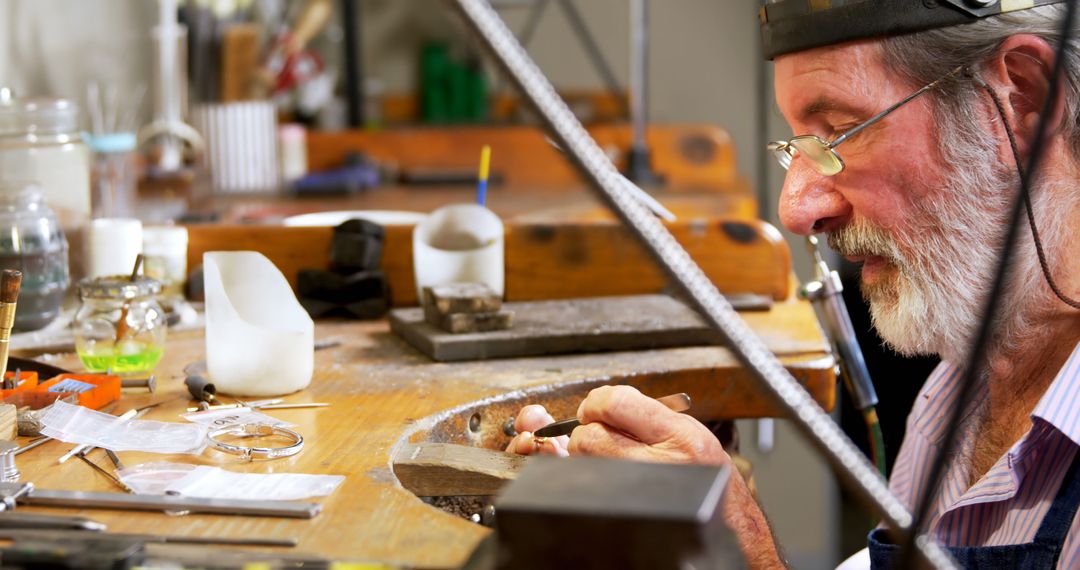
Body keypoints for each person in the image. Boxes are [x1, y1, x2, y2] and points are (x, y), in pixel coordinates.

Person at [506, 2, 1080, 568]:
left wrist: (742, 553)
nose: (796, 209)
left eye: (840, 132)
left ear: (1024, 99)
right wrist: (698, 506)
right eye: (796, 146)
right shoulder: (961, 379)